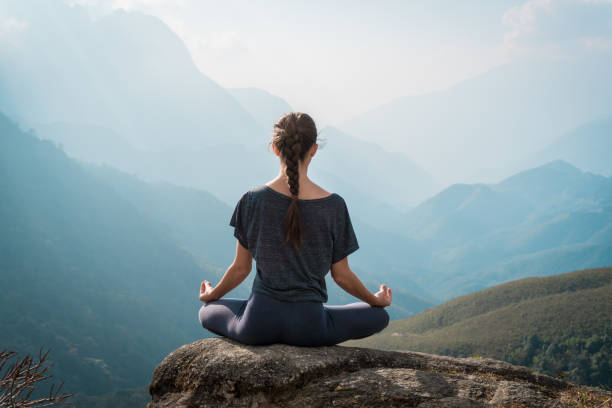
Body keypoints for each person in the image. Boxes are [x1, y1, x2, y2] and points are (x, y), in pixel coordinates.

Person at [198, 112, 392, 347]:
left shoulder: (252, 200)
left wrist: (212, 294)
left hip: (257, 324)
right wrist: (375, 299)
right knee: (379, 316)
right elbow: (341, 275)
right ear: (313, 150)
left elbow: (241, 269)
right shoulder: (334, 206)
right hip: (310, 328)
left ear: (275, 148)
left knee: (206, 312)